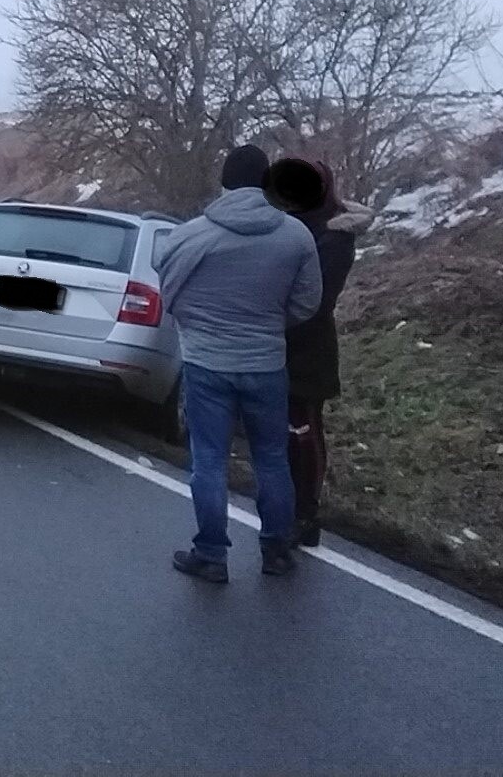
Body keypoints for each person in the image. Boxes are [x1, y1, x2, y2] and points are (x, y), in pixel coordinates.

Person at [155, 145, 322, 581]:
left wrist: (201, 327)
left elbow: (170, 293)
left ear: (224, 184)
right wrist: (268, 325)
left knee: (208, 460)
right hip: (267, 363)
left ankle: (211, 555)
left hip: (207, 364)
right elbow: (308, 303)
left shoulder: (192, 235)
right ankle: (276, 551)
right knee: (271, 459)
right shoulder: (296, 236)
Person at [267, 157, 375, 547]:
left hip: (308, 349)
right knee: (282, 433)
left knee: (304, 431)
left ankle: (306, 515)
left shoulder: (334, 235)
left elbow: (317, 297)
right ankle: (287, 509)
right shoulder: (289, 224)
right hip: (276, 343)